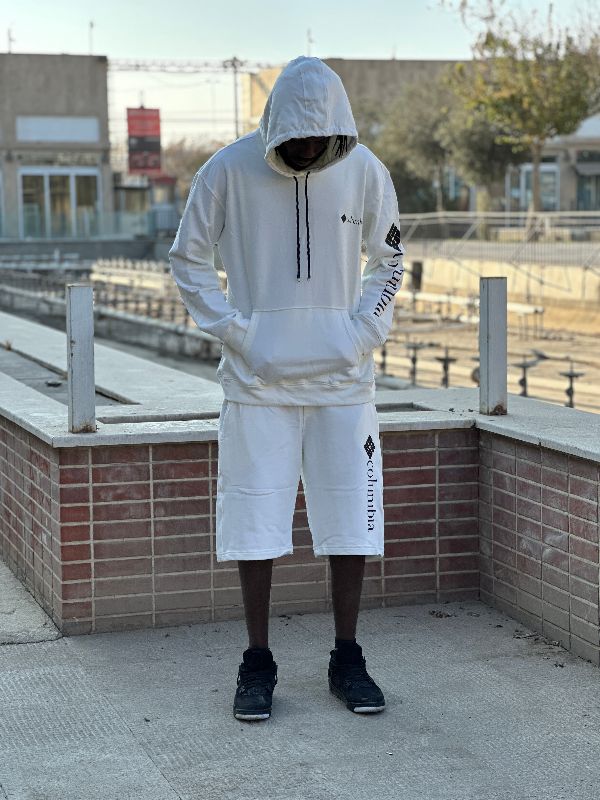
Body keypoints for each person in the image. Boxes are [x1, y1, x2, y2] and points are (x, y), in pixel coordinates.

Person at [169, 56, 405, 721]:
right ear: (275, 126)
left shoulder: (365, 170)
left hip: (344, 383)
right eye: (295, 139)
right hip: (256, 385)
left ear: (337, 127)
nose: (306, 148)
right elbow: (188, 258)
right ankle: (257, 662)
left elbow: (390, 257)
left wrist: (362, 332)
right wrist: (239, 333)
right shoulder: (226, 170)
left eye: (319, 138)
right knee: (253, 522)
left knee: (353, 518)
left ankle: (347, 657)